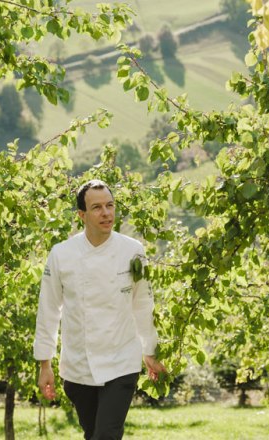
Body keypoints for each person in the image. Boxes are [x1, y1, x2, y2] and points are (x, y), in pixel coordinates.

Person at [33, 179, 167, 440]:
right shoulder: (62, 254)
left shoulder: (133, 251)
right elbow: (48, 310)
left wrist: (150, 350)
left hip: (122, 362)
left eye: (110, 205)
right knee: (93, 433)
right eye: (97, 208)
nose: (106, 213)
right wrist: (44, 364)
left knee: (106, 435)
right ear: (82, 215)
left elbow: (143, 303)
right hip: (78, 367)